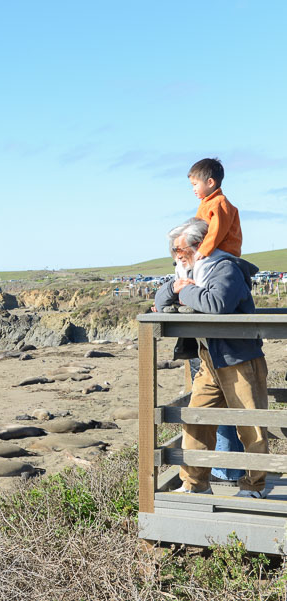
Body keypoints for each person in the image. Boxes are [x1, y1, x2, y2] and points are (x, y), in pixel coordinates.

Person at [154, 217, 269, 498]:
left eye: (179, 250)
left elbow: (216, 304)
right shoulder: (193, 269)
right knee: (195, 420)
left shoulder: (223, 268)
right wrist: (175, 287)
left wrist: (185, 290)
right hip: (210, 358)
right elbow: (159, 301)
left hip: (240, 358)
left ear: (198, 245)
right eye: (173, 251)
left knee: (250, 426)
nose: (176, 256)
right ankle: (195, 483)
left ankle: (254, 487)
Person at [188, 157, 242, 262]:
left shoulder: (219, 202)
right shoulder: (205, 203)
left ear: (210, 182)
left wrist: (203, 250)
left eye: (195, 184)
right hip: (212, 248)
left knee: (201, 266)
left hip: (223, 249)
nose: (193, 189)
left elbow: (216, 231)